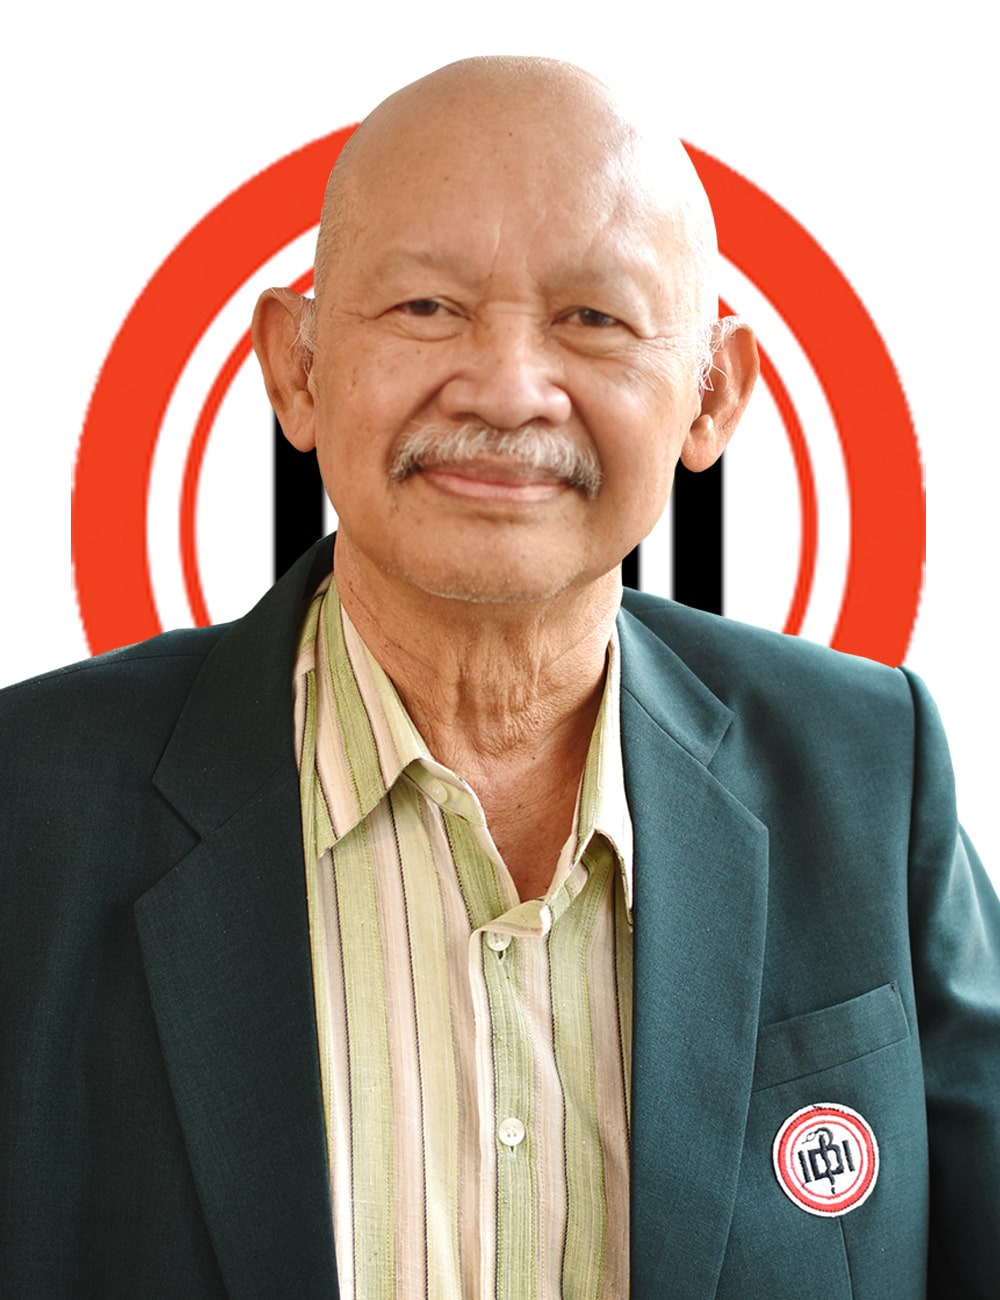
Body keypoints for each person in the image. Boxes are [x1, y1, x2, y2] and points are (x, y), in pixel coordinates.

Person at [1, 56, 997, 1300]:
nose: (510, 388)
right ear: (296, 370)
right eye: (425, 306)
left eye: (593, 318)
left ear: (713, 393)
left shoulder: (867, 770)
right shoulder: (28, 805)